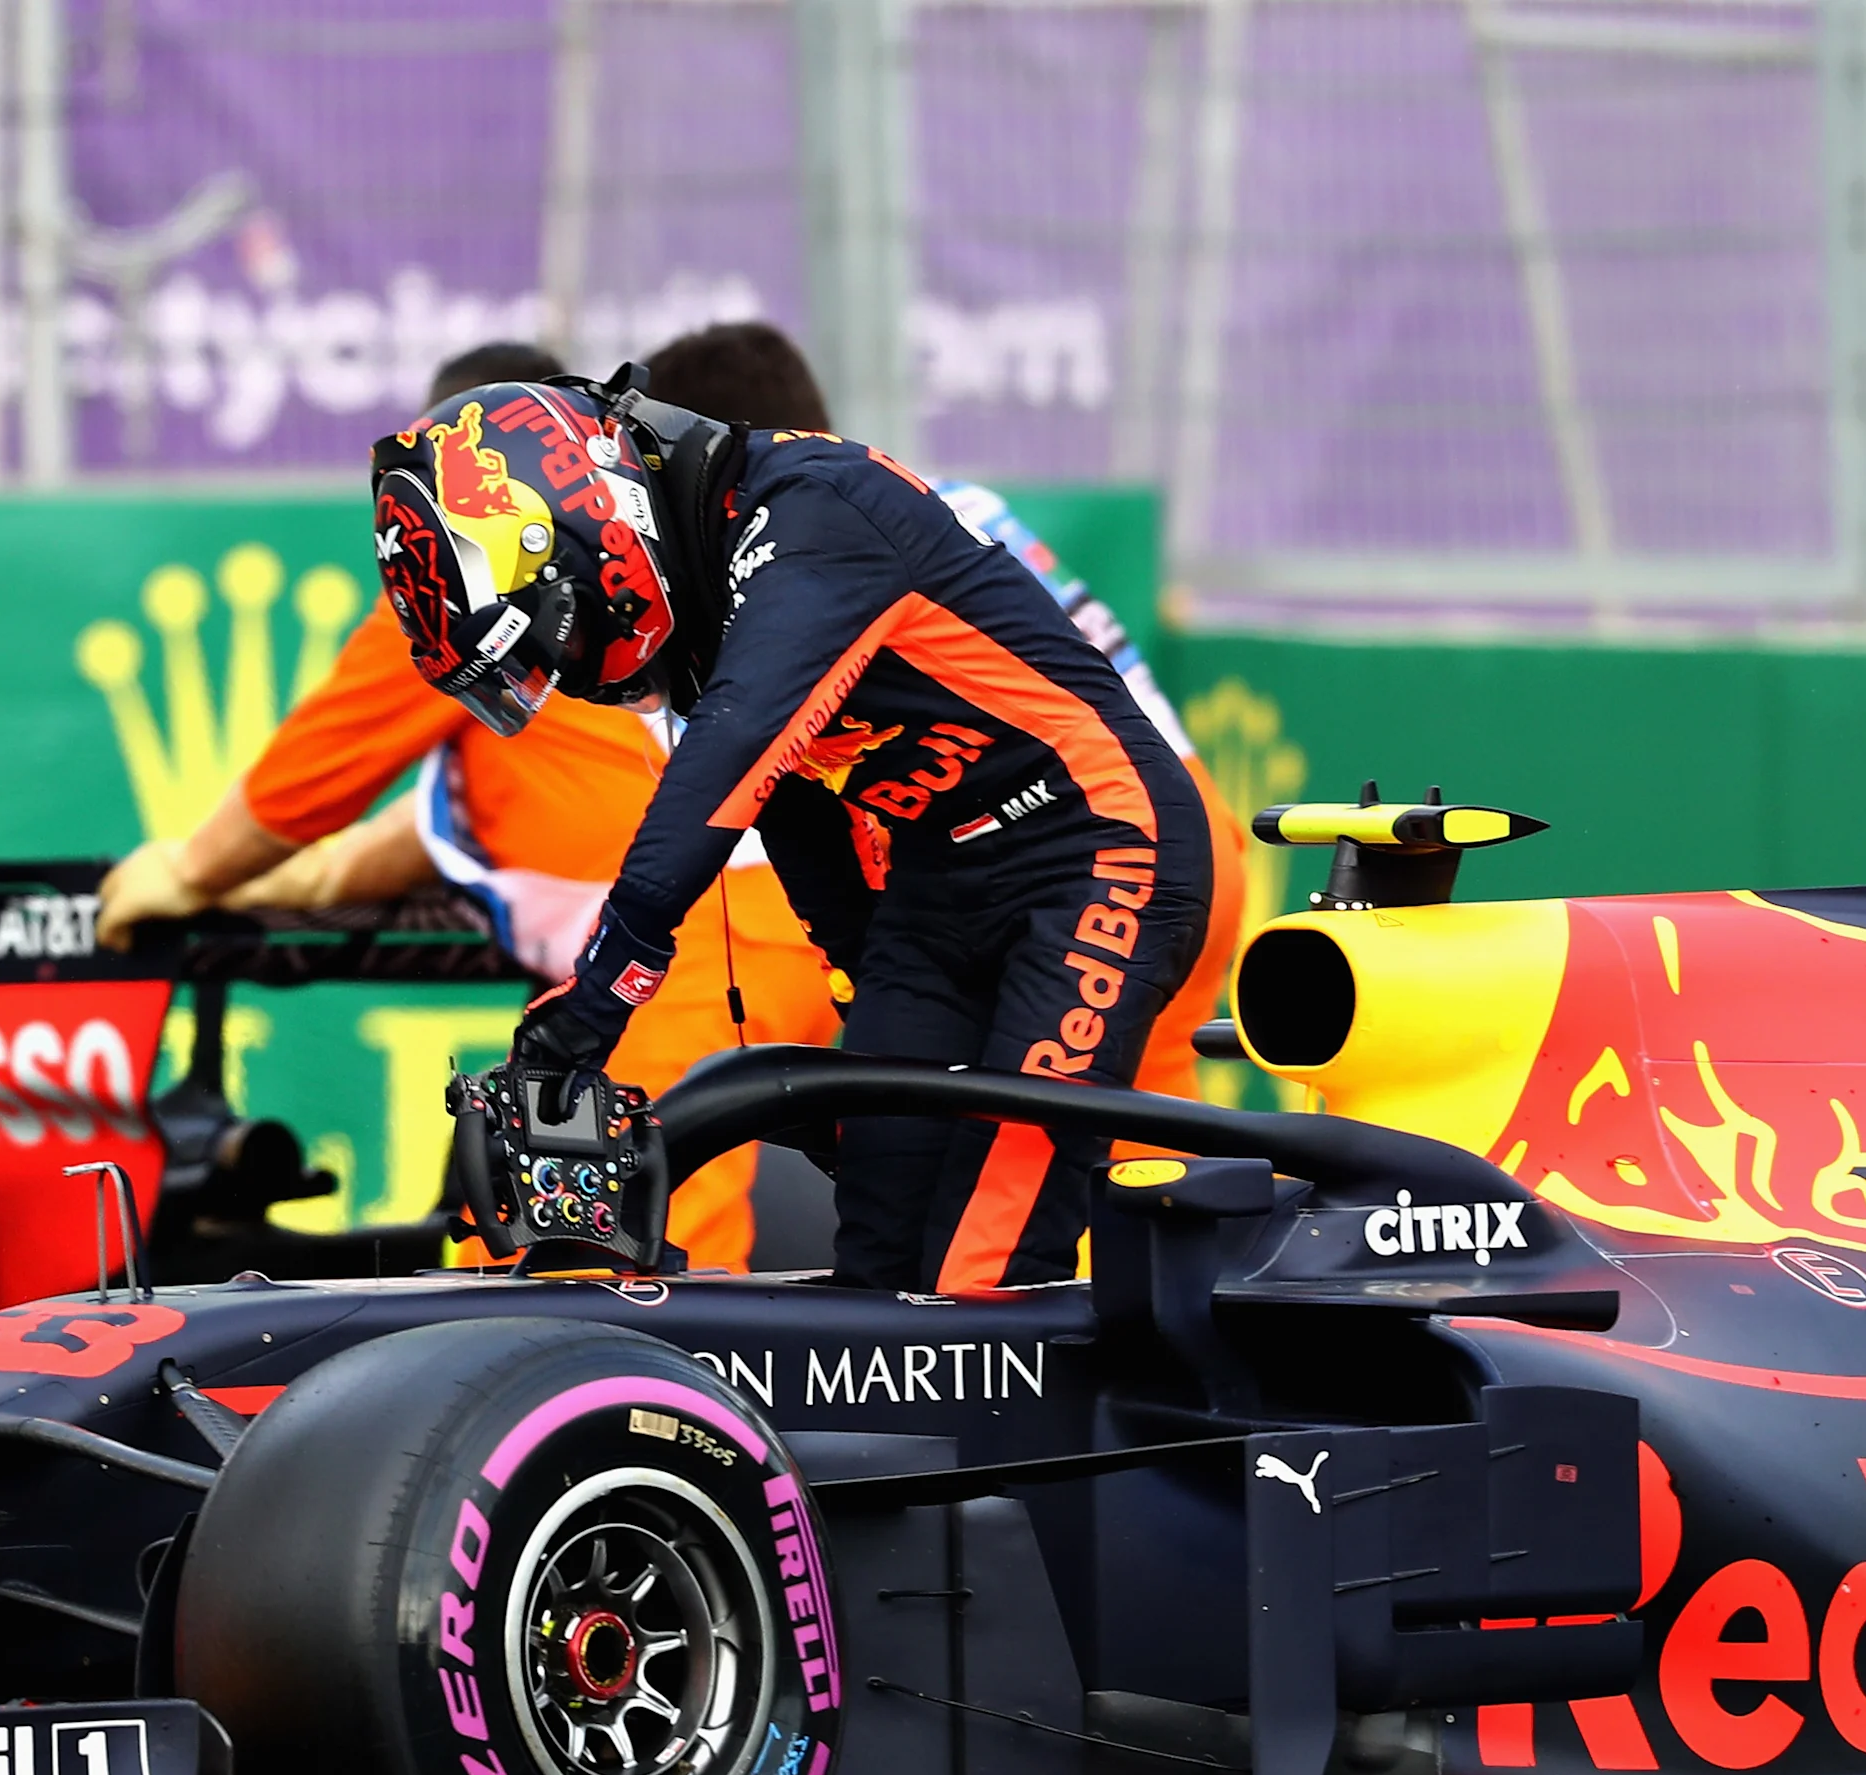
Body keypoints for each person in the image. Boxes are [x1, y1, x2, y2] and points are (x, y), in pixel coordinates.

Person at [372, 368, 1213, 1294]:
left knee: (988, 1251)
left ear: (589, 525)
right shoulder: (706, 602)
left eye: (559, 640)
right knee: (880, 1244)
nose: (571, 672)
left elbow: (738, 749)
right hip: (938, 890)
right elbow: (802, 810)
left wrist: (603, 992)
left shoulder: (814, 512)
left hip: (1101, 847)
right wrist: (861, 990)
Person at [96, 342, 840, 1272]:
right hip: (770, 925)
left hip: (688, 945)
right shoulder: (588, 563)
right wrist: (316, 874)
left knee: (601, 1276)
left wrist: (189, 871)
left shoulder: (464, 570)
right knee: (584, 1241)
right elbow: (466, 817)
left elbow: (312, 778)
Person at [640, 320, 1249, 1107]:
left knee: (1011, 1153)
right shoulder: (947, 504)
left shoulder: (783, 574)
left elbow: (747, 779)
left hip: (1060, 851)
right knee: (1142, 1165)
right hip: (1188, 827)